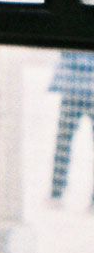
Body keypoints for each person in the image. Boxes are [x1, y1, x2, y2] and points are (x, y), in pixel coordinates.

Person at [49, 50, 94, 206]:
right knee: (63, 143)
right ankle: (56, 192)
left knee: (63, 142)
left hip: (73, 89)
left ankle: (56, 192)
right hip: (80, 90)